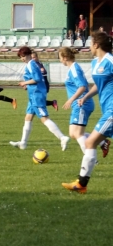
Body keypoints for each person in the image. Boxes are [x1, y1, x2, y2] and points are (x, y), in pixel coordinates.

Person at [62, 32, 113, 193]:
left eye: (91, 43)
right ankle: (81, 185)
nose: (89, 46)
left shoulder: (111, 61)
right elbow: (99, 85)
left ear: (96, 45)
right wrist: (86, 97)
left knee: (90, 142)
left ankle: (81, 184)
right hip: (107, 109)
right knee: (90, 142)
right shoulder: (95, 63)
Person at [9, 46, 70, 150]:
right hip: (32, 95)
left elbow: (37, 79)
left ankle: (62, 137)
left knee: (44, 118)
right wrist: (27, 85)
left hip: (36, 95)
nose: (22, 58)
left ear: (28, 55)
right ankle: (23, 143)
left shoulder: (31, 64)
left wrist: (25, 82)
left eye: (23, 56)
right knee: (28, 118)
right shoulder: (30, 64)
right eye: (20, 57)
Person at [59, 47, 110, 159]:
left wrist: (71, 99)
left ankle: (91, 159)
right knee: (73, 134)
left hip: (81, 104)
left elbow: (82, 86)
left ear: (65, 57)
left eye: (60, 58)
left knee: (78, 134)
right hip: (79, 104)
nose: (60, 60)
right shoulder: (72, 68)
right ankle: (102, 142)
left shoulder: (74, 69)